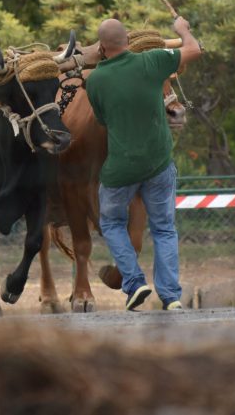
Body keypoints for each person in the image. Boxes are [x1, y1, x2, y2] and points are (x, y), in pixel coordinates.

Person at [86, 16, 202, 311]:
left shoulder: (96, 79)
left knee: (112, 223)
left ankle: (135, 284)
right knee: (164, 228)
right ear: (128, 41)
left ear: (101, 47)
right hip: (158, 165)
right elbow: (194, 50)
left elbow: (101, 119)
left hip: (120, 170)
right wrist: (182, 30)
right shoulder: (152, 61)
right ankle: (171, 296)